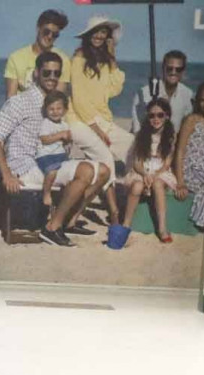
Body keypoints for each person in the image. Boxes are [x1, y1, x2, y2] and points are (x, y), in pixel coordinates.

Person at [0, 52, 113, 247]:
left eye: (56, 73)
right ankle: (52, 228)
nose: (52, 78)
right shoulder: (21, 102)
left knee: (104, 171)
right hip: (26, 165)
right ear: (36, 73)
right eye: (47, 73)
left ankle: (68, 221)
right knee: (86, 171)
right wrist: (6, 174)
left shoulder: (57, 104)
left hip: (50, 163)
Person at [64, 16, 132, 225]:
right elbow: (79, 99)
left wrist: (113, 58)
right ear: (88, 35)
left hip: (102, 120)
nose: (100, 36)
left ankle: (133, 193)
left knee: (133, 145)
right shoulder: (78, 58)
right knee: (107, 162)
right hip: (78, 120)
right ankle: (111, 212)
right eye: (96, 31)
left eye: (104, 32)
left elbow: (114, 90)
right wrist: (96, 129)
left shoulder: (104, 61)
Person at [123, 98, 178, 243]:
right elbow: (137, 162)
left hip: (160, 170)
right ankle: (126, 224)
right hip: (142, 170)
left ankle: (162, 227)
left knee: (158, 184)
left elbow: (167, 163)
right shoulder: (142, 136)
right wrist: (145, 174)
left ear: (167, 116)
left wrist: (155, 174)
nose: (156, 119)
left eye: (160, 115)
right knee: (137, 186)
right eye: (152, 115)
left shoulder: (170, 136)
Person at [174, 82, 204, 231]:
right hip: (192, 171)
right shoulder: (192, 120)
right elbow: (180, 151)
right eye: (203, 100)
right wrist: (180, 181)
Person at [4, 9, 70, 99]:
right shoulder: (16, 58)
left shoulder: (63, 60)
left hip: (48, 110)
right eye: (46, 32)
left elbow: (58, 98)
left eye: (54, 34)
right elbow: (10, 97)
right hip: (21, 109)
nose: (50, 36)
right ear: (38, 28)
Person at [131, 50, 193, 135]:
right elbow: (137, 129)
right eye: (169, 68)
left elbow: (187, 127)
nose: (173, 72)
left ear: (183, 71)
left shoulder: (188, 94)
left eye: (178, 69)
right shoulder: (144, 94)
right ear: (163, 68)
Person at [36, 91, 72, 209]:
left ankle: (63, 198)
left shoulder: (65, 125)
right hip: (46, 155)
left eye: (58, 108)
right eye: (51, 109)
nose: (55, 112)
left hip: (60, 154)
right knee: (51, 172)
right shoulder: (46, 123)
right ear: (46, 110)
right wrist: (60, 135)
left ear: (65, 110)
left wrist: (68, 141)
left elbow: (66, 142)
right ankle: (46, 193)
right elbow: (45, 140)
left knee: (71, 172)